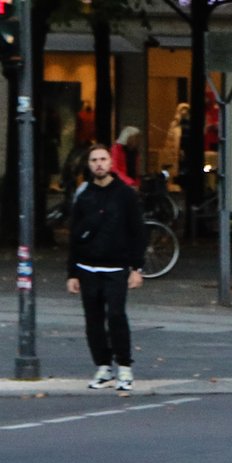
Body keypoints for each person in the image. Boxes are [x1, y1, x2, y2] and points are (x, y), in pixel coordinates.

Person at [64, 143, 146, 391]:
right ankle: (102, 367)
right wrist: (72, 273)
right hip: (87, 266)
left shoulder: (125, 194)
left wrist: (136, 268)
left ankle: (124, 367)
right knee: (93, 320)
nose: (98, 164)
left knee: (117, 316)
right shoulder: (84, 195)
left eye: (102, 159)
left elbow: (137, 232)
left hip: (117, 267)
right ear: (88, 165)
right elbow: (74, 235)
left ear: (111, 164)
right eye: (93, 160)